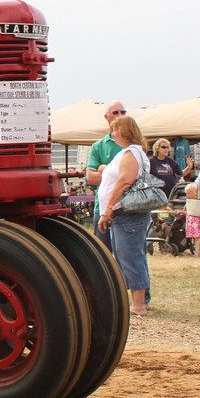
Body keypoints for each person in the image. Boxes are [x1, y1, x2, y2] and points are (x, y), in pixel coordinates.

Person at [97, 115, 152, 316]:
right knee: (131, 255)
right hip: (127, 213)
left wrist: (109, 207)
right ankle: (140, 300)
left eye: (115, 129)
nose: (112, 134)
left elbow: (123, 181)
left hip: (126, 213)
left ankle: (138, 304)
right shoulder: (131, 152)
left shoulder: (131, 153)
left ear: (125, 131)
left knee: (130, 256)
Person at [85, 100, 127, 251]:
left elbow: (132, 176)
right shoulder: (99, 146)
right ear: (107, 117)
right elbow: (90, 178)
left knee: (126, 257)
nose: (120, 116)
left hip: (127, 207)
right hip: (102, 208)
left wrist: (104, 170)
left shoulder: (133, 145)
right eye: (115, 113)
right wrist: (117, 174)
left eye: (123, 112)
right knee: (103, 256)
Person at [183, 182, 200, 257]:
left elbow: (198, 212)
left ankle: (197, 252)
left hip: (195, 222)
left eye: (189, 193)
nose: (188, 195)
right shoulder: (189, 202)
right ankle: (196, 251)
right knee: (195, 238)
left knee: (196, 238)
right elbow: (189, 211)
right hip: (191, 221)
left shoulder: (198, 202)